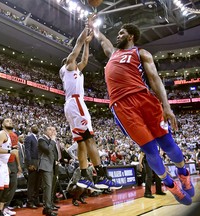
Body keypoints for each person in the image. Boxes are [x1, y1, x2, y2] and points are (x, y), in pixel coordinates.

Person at [93, 22, 194, 205]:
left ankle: (183, 173)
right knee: (150, 150)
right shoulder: (113, 54)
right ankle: (171, 185)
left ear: (130, 36)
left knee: (168, 143)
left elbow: (155, 79)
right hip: (122, 106)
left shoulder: (141, 53)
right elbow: (102, 40)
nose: (118, 36)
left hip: (144, 99)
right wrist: (93, 28)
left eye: (121, 33)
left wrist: (167, 106)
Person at [59, 19, 122, 191]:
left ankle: (84, 177)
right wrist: (87, 28)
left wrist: (87, 44)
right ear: (68, 63)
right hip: (76, 102)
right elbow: (77, 46)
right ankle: (101, 176)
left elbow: (85, 60)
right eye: (73, 61)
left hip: (70, 105)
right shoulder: (68, 65)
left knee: (80, 142)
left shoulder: (75, 71)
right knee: (89, 138)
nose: (76, 62)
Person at [38, 126, 58, 216]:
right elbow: (48, 150)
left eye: (54, 130)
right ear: (45, 131)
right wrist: (53, 140)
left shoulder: (52, 141)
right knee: (48, 187)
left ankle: (48, 207)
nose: (53, 131)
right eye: (50, 129)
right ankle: (47, 209)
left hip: (52, 166)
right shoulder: (41, 139)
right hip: (45, 166)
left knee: (50, 188)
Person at [24, 124, 43, 208]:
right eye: (34, 126)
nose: (36, 127)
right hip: (33, 161)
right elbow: (27, 151)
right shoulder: (29, 137)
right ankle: (29, 201)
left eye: (37, 126)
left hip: (40, 162)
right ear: (31, 129)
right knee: (31, 183)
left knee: (38, 183)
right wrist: (29, 163)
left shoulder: (39, 138)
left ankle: (36, 200)